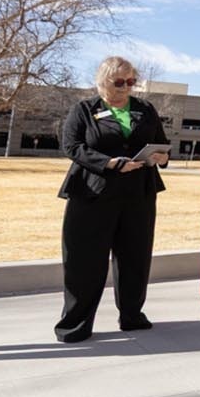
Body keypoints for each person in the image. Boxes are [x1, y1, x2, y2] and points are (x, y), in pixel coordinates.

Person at [55, 56, 170, 342]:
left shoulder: (145, 109)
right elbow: (72, 146)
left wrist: (161, 156)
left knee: (135, 257)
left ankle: (132, 315)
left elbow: (163, 144)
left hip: (138, 193)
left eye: (131, 81)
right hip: (94, 192)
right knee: (85, 260)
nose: (126, 87)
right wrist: (109, 163)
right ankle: (76, 323)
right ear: (103, 81)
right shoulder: (84, 109)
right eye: (119, 82)